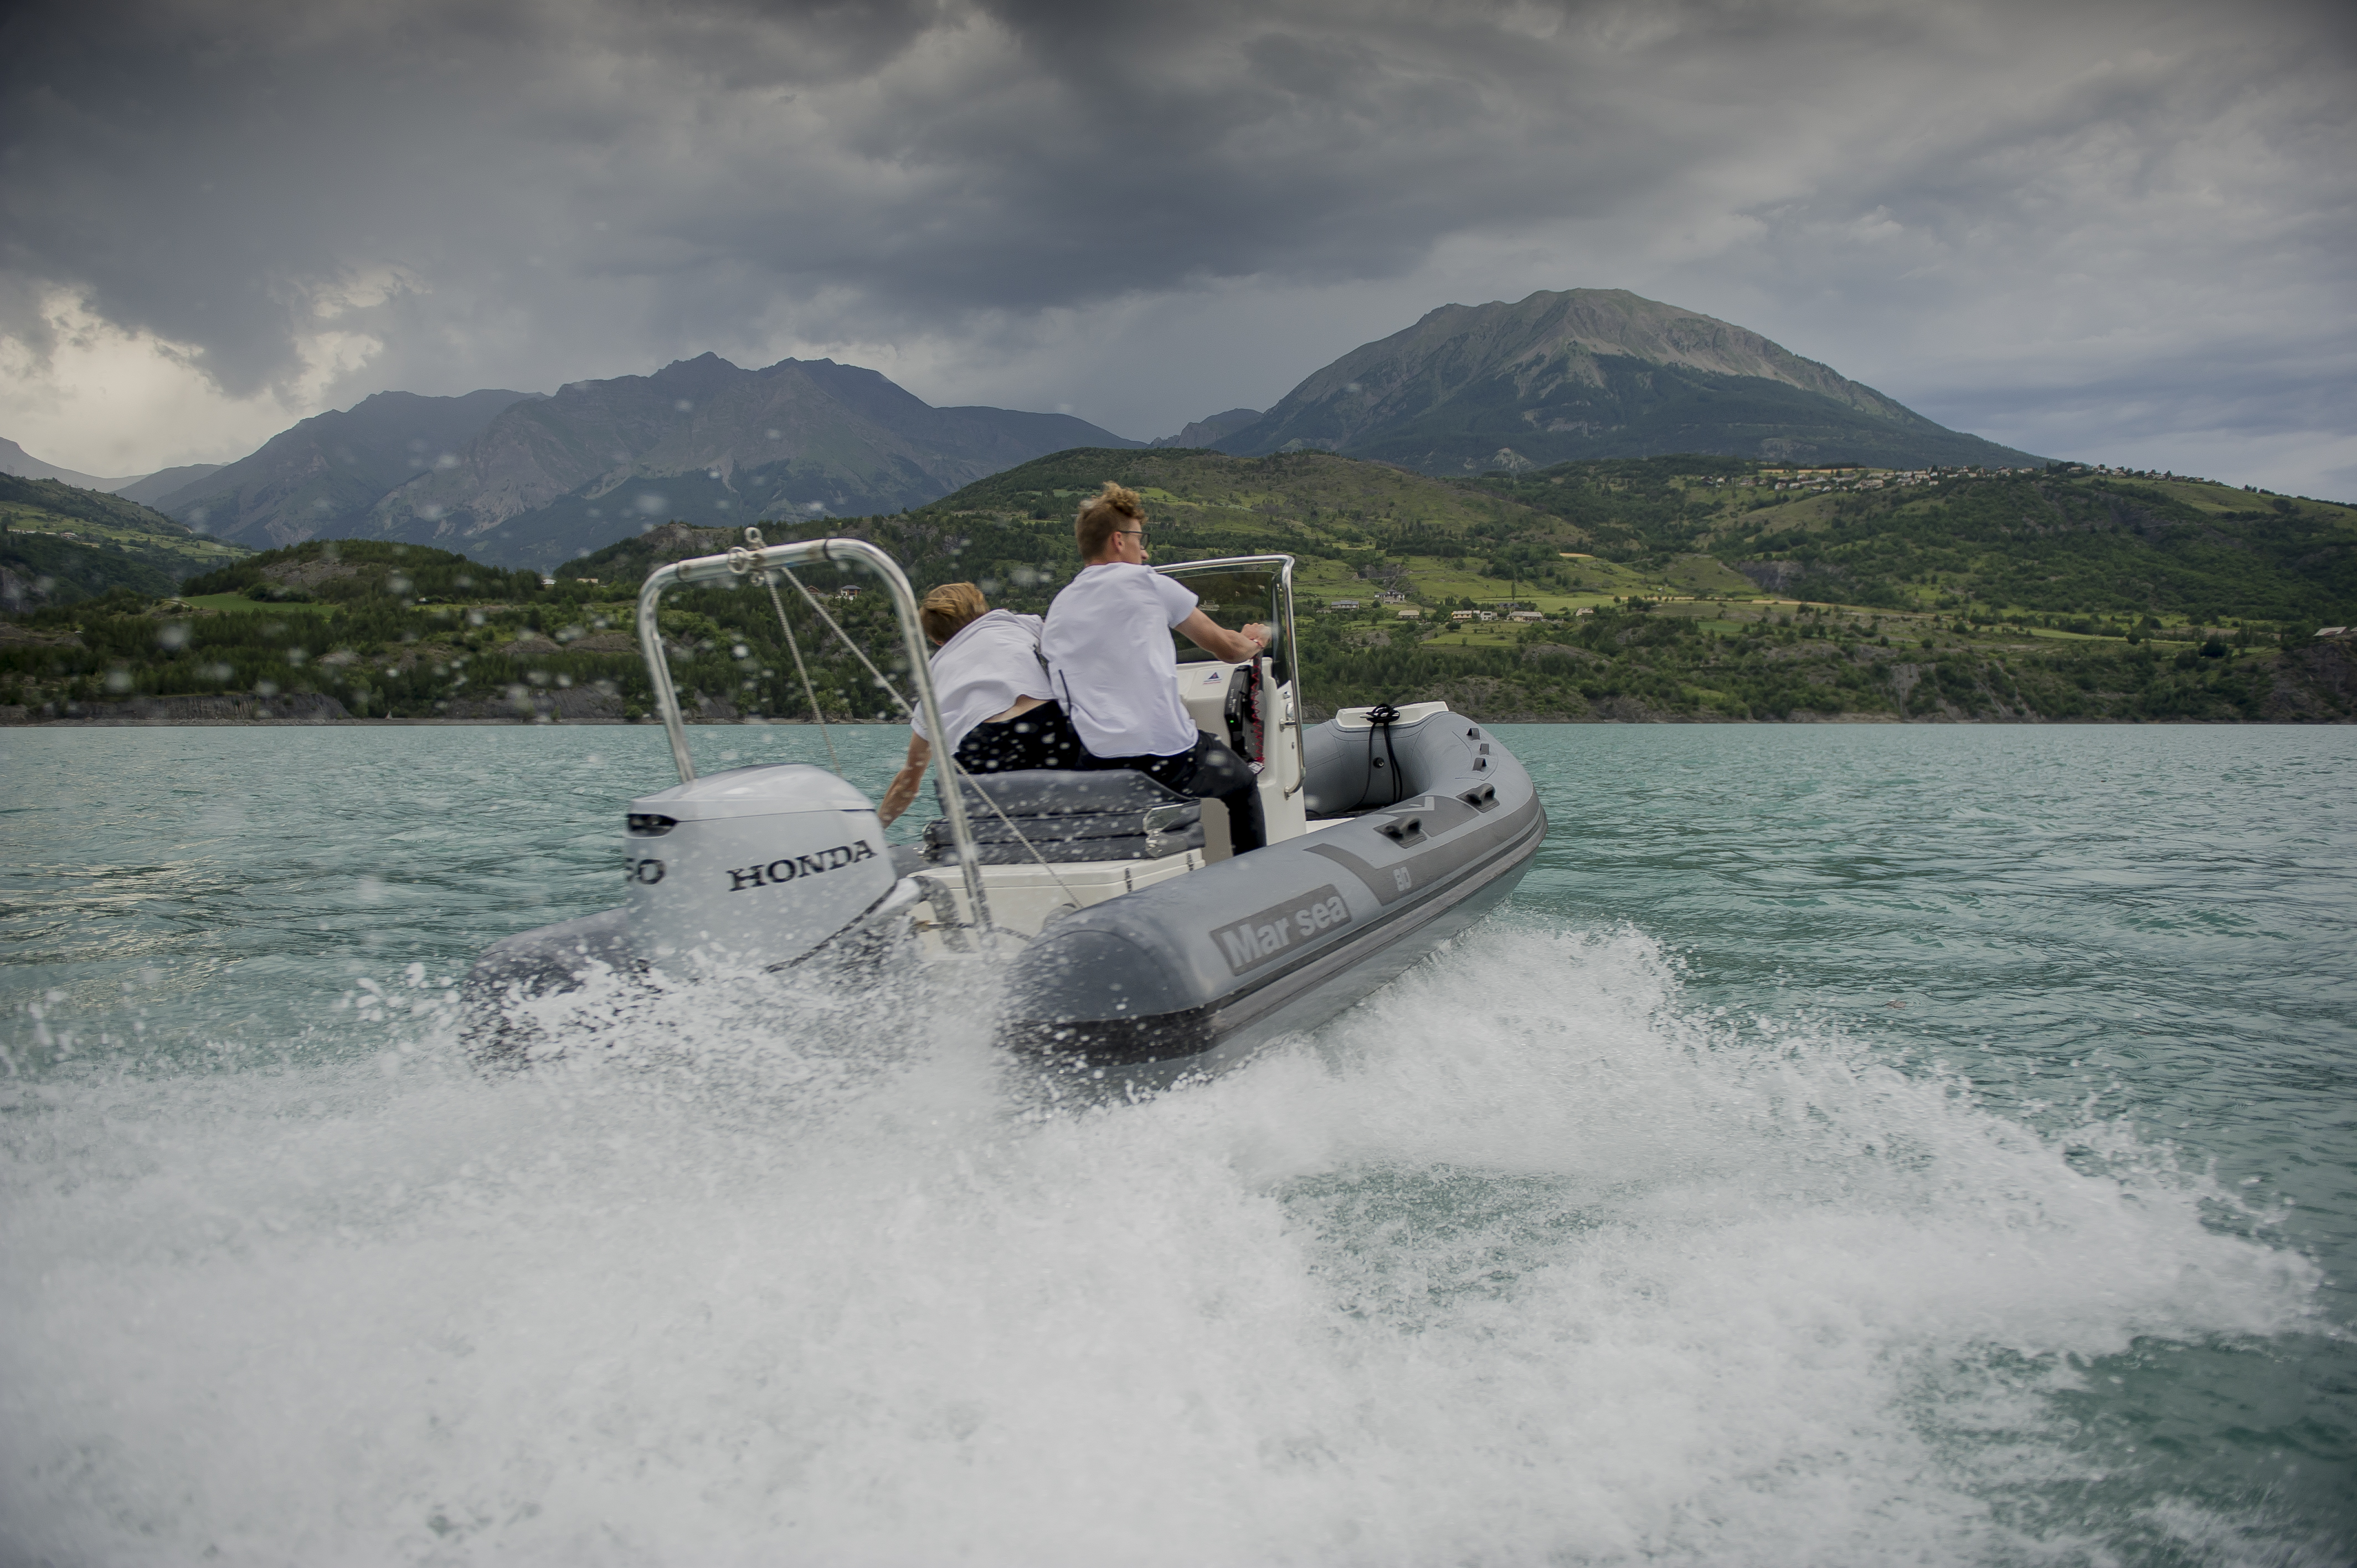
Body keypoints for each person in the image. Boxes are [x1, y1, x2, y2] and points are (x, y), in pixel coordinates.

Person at [1040, 481, 1272, 852]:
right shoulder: (1147, 584)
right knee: (1242, 784)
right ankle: (1252, 882)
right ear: (1118, 540)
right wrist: (1256, 642)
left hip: (1097, 763)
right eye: (1139, 538)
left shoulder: (1059, 607)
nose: (1144, 552)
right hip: (1165, 758)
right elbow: (1227, 649)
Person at [877, 582, 1078, 826]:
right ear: (983, 612)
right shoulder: (1010, 623)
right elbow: (1072, 647)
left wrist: (876, 829)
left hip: (981, 746)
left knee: (987, 811)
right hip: (1044, 726)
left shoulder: (934, 673)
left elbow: (909, 779)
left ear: (937, 641)